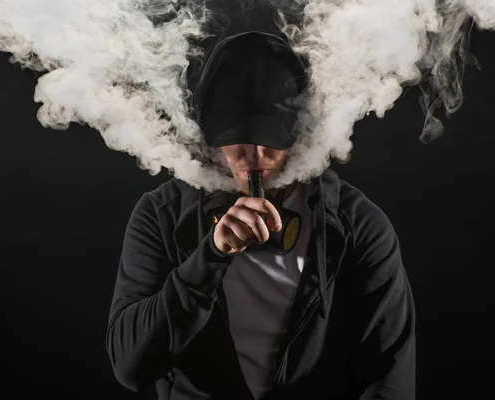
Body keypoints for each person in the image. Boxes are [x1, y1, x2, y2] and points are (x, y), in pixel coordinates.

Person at [106, 31, 416, 400]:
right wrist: (209, 260)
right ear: (207, 135)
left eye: (271, 140)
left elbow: (389, 377)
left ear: (301, 133)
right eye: (234, 138)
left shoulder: (357, 225)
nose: (253, 158)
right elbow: (130, 367)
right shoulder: (162, 216)